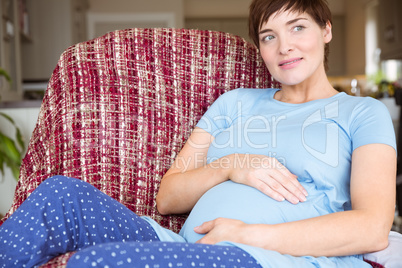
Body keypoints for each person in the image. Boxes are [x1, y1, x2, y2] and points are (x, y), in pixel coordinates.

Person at [0, 0, 397, 267]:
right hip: (181, 246)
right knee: (59, 195)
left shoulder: (362, 112)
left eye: (297, 28)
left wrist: (247, 234)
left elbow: (373, 227)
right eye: (269, 36)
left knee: (97, 261)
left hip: (269, 259)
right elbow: (168, 196)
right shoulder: (235, 103)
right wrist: (230, 166)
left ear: (325, 30)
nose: (284, 47)